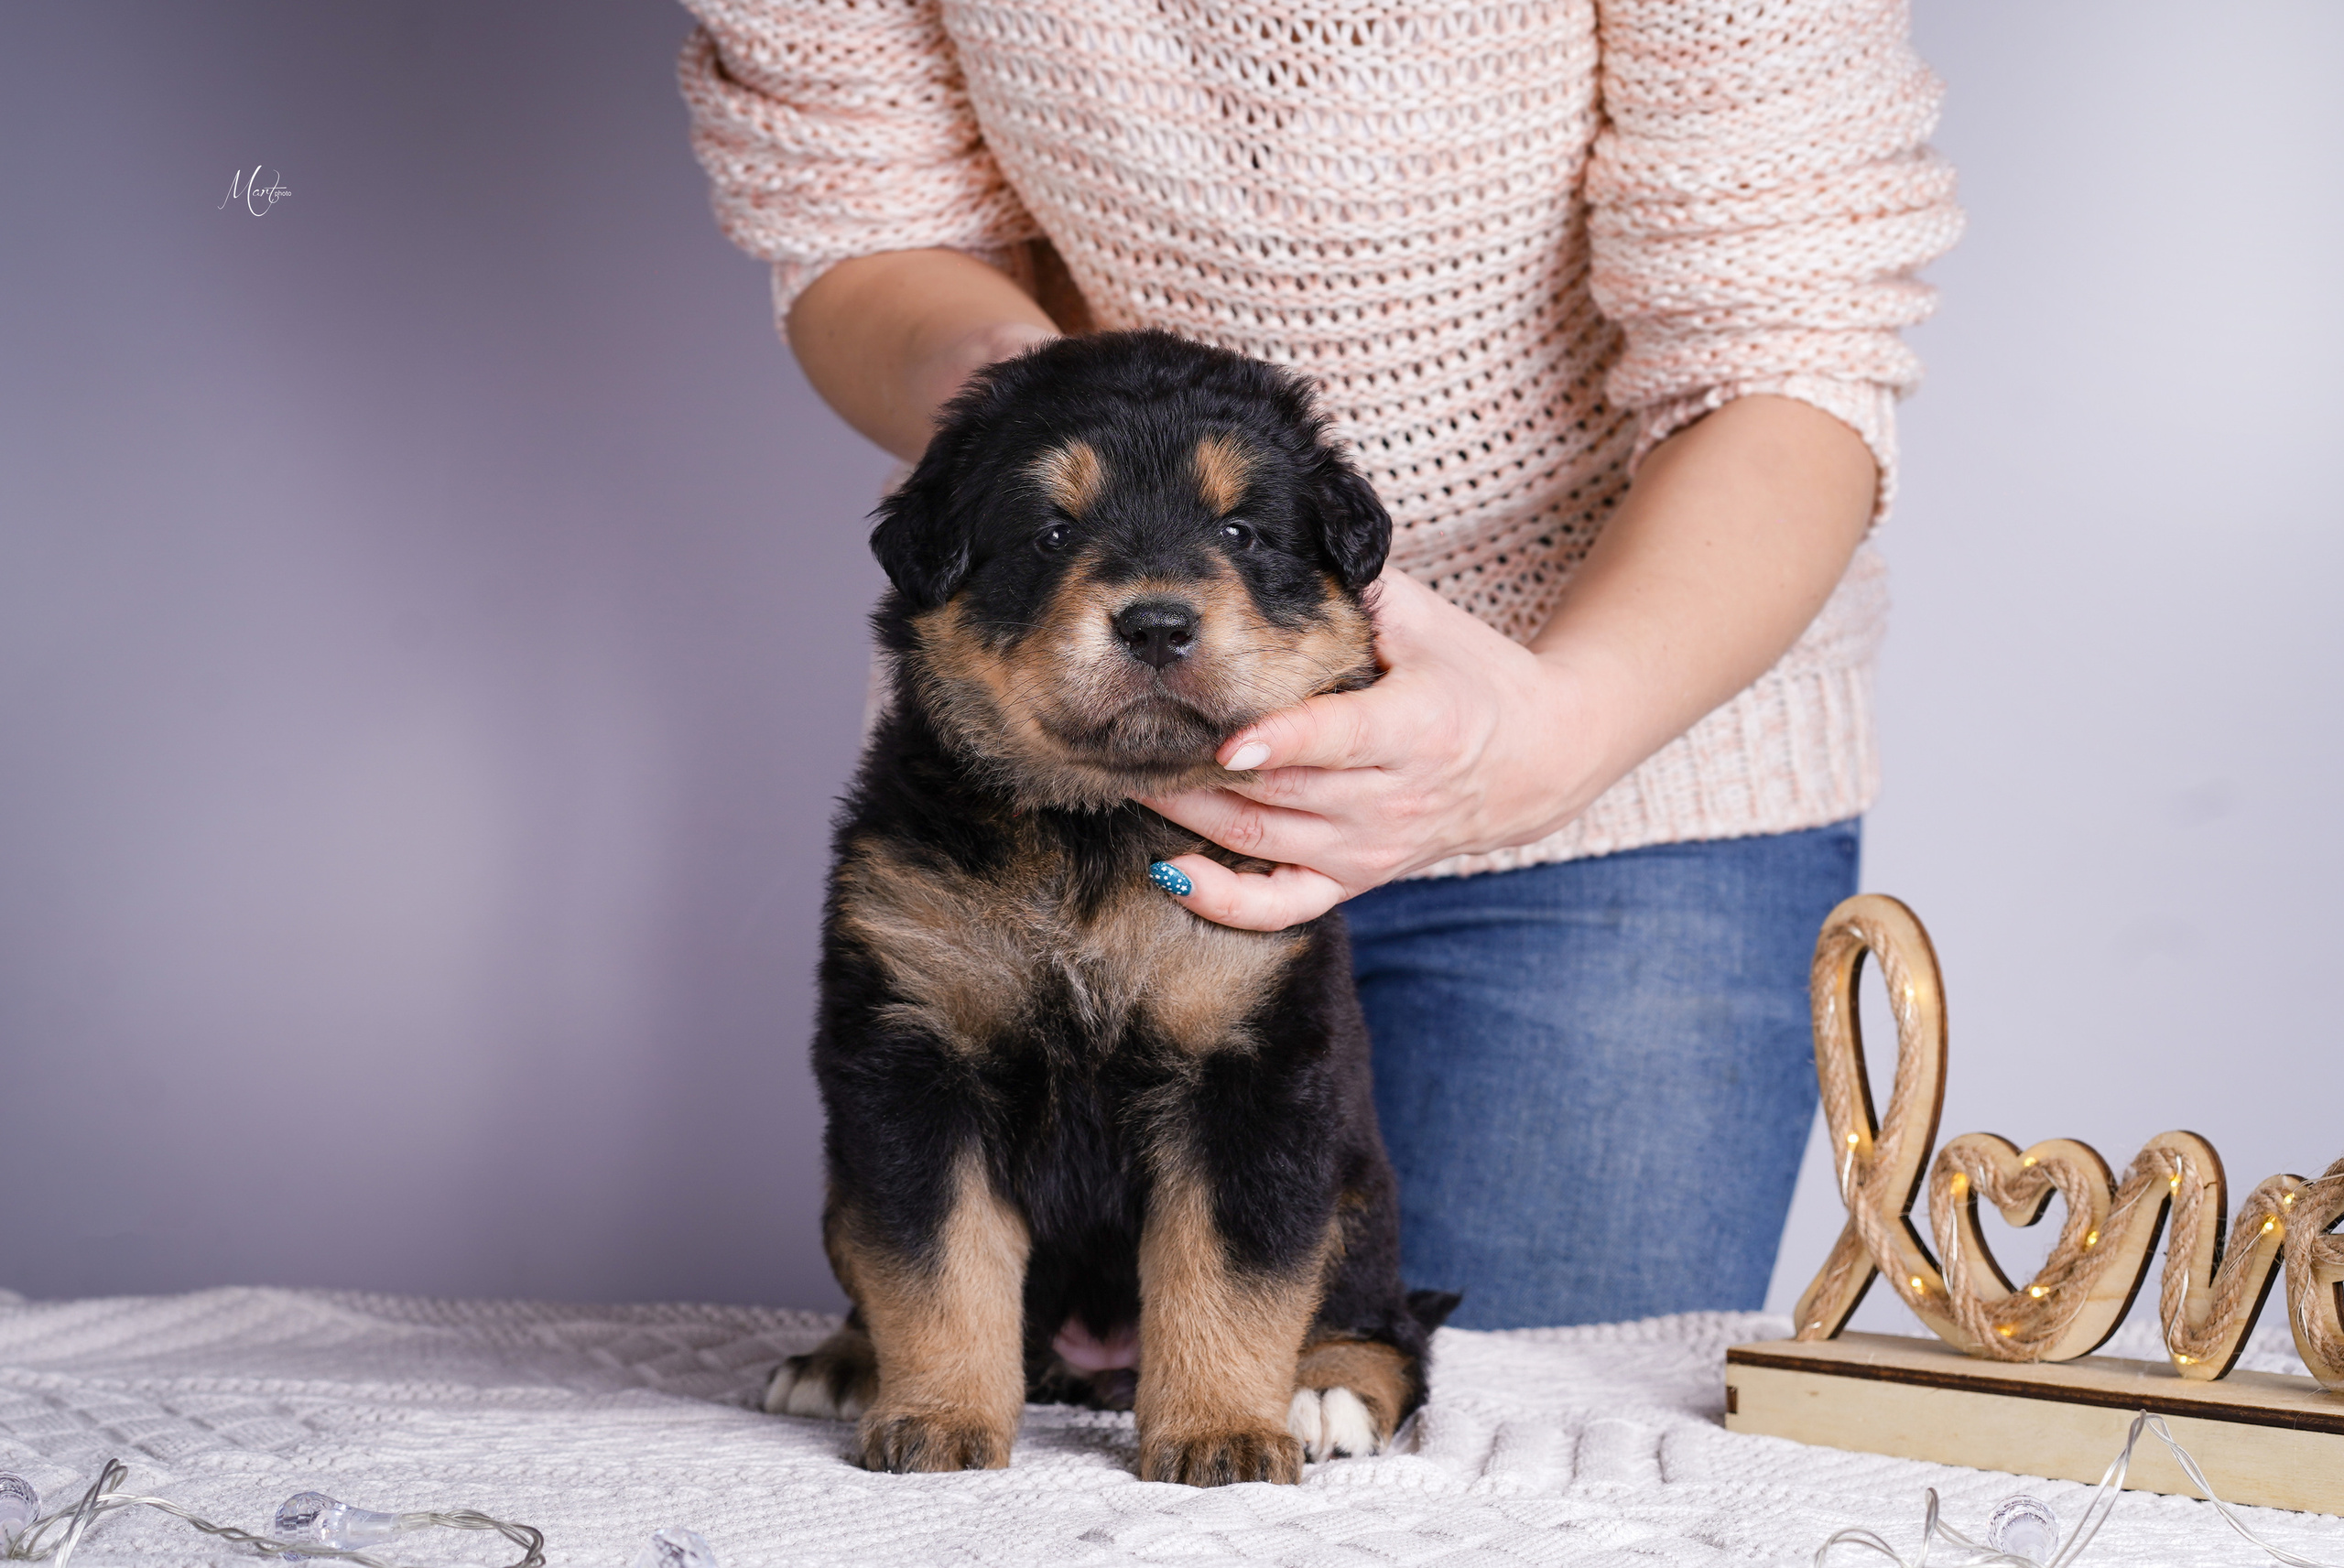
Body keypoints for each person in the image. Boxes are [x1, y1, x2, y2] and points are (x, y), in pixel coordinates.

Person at [676, 0, 1962, 1329]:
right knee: (1025, 1441)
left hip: (1620, 768)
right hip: (1052, 785)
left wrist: (1555, 733)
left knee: (1514, 1479)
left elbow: (1790, 327)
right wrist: (1032, 411)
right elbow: (866, 213)